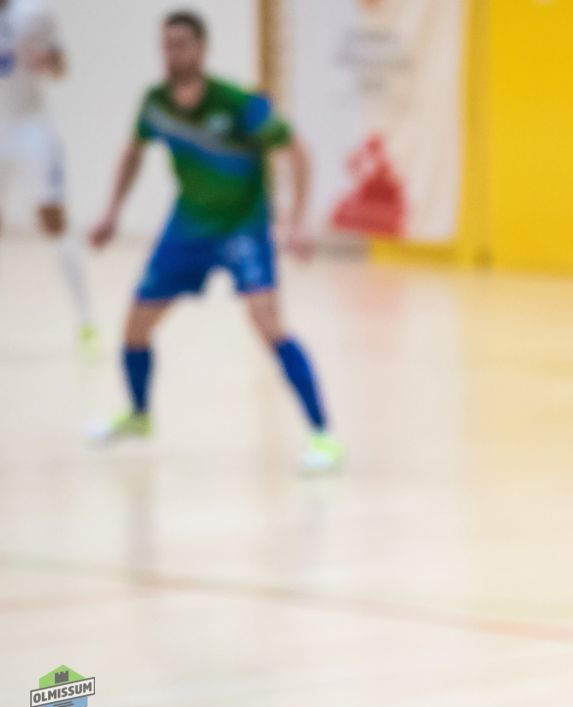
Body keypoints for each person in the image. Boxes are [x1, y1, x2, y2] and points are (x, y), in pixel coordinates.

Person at [87, 10, 343, 474]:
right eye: (166, 45)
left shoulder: (239, 103)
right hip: (188, 226)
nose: (173, 54)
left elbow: (296, 150)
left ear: (202, 50)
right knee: (136, 326)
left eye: (182, 44)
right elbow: (133, 153)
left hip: (243, 226)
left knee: (268, 322)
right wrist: (112, 212)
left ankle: (322, 434)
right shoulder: (155, 103)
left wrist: (296, 221)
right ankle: (139, 415)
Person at [0, 0, 96, 355]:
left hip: (31, 126)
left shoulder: (33, 13)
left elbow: (60, 69)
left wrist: (47, 61)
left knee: (53, 219)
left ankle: (86, 321)